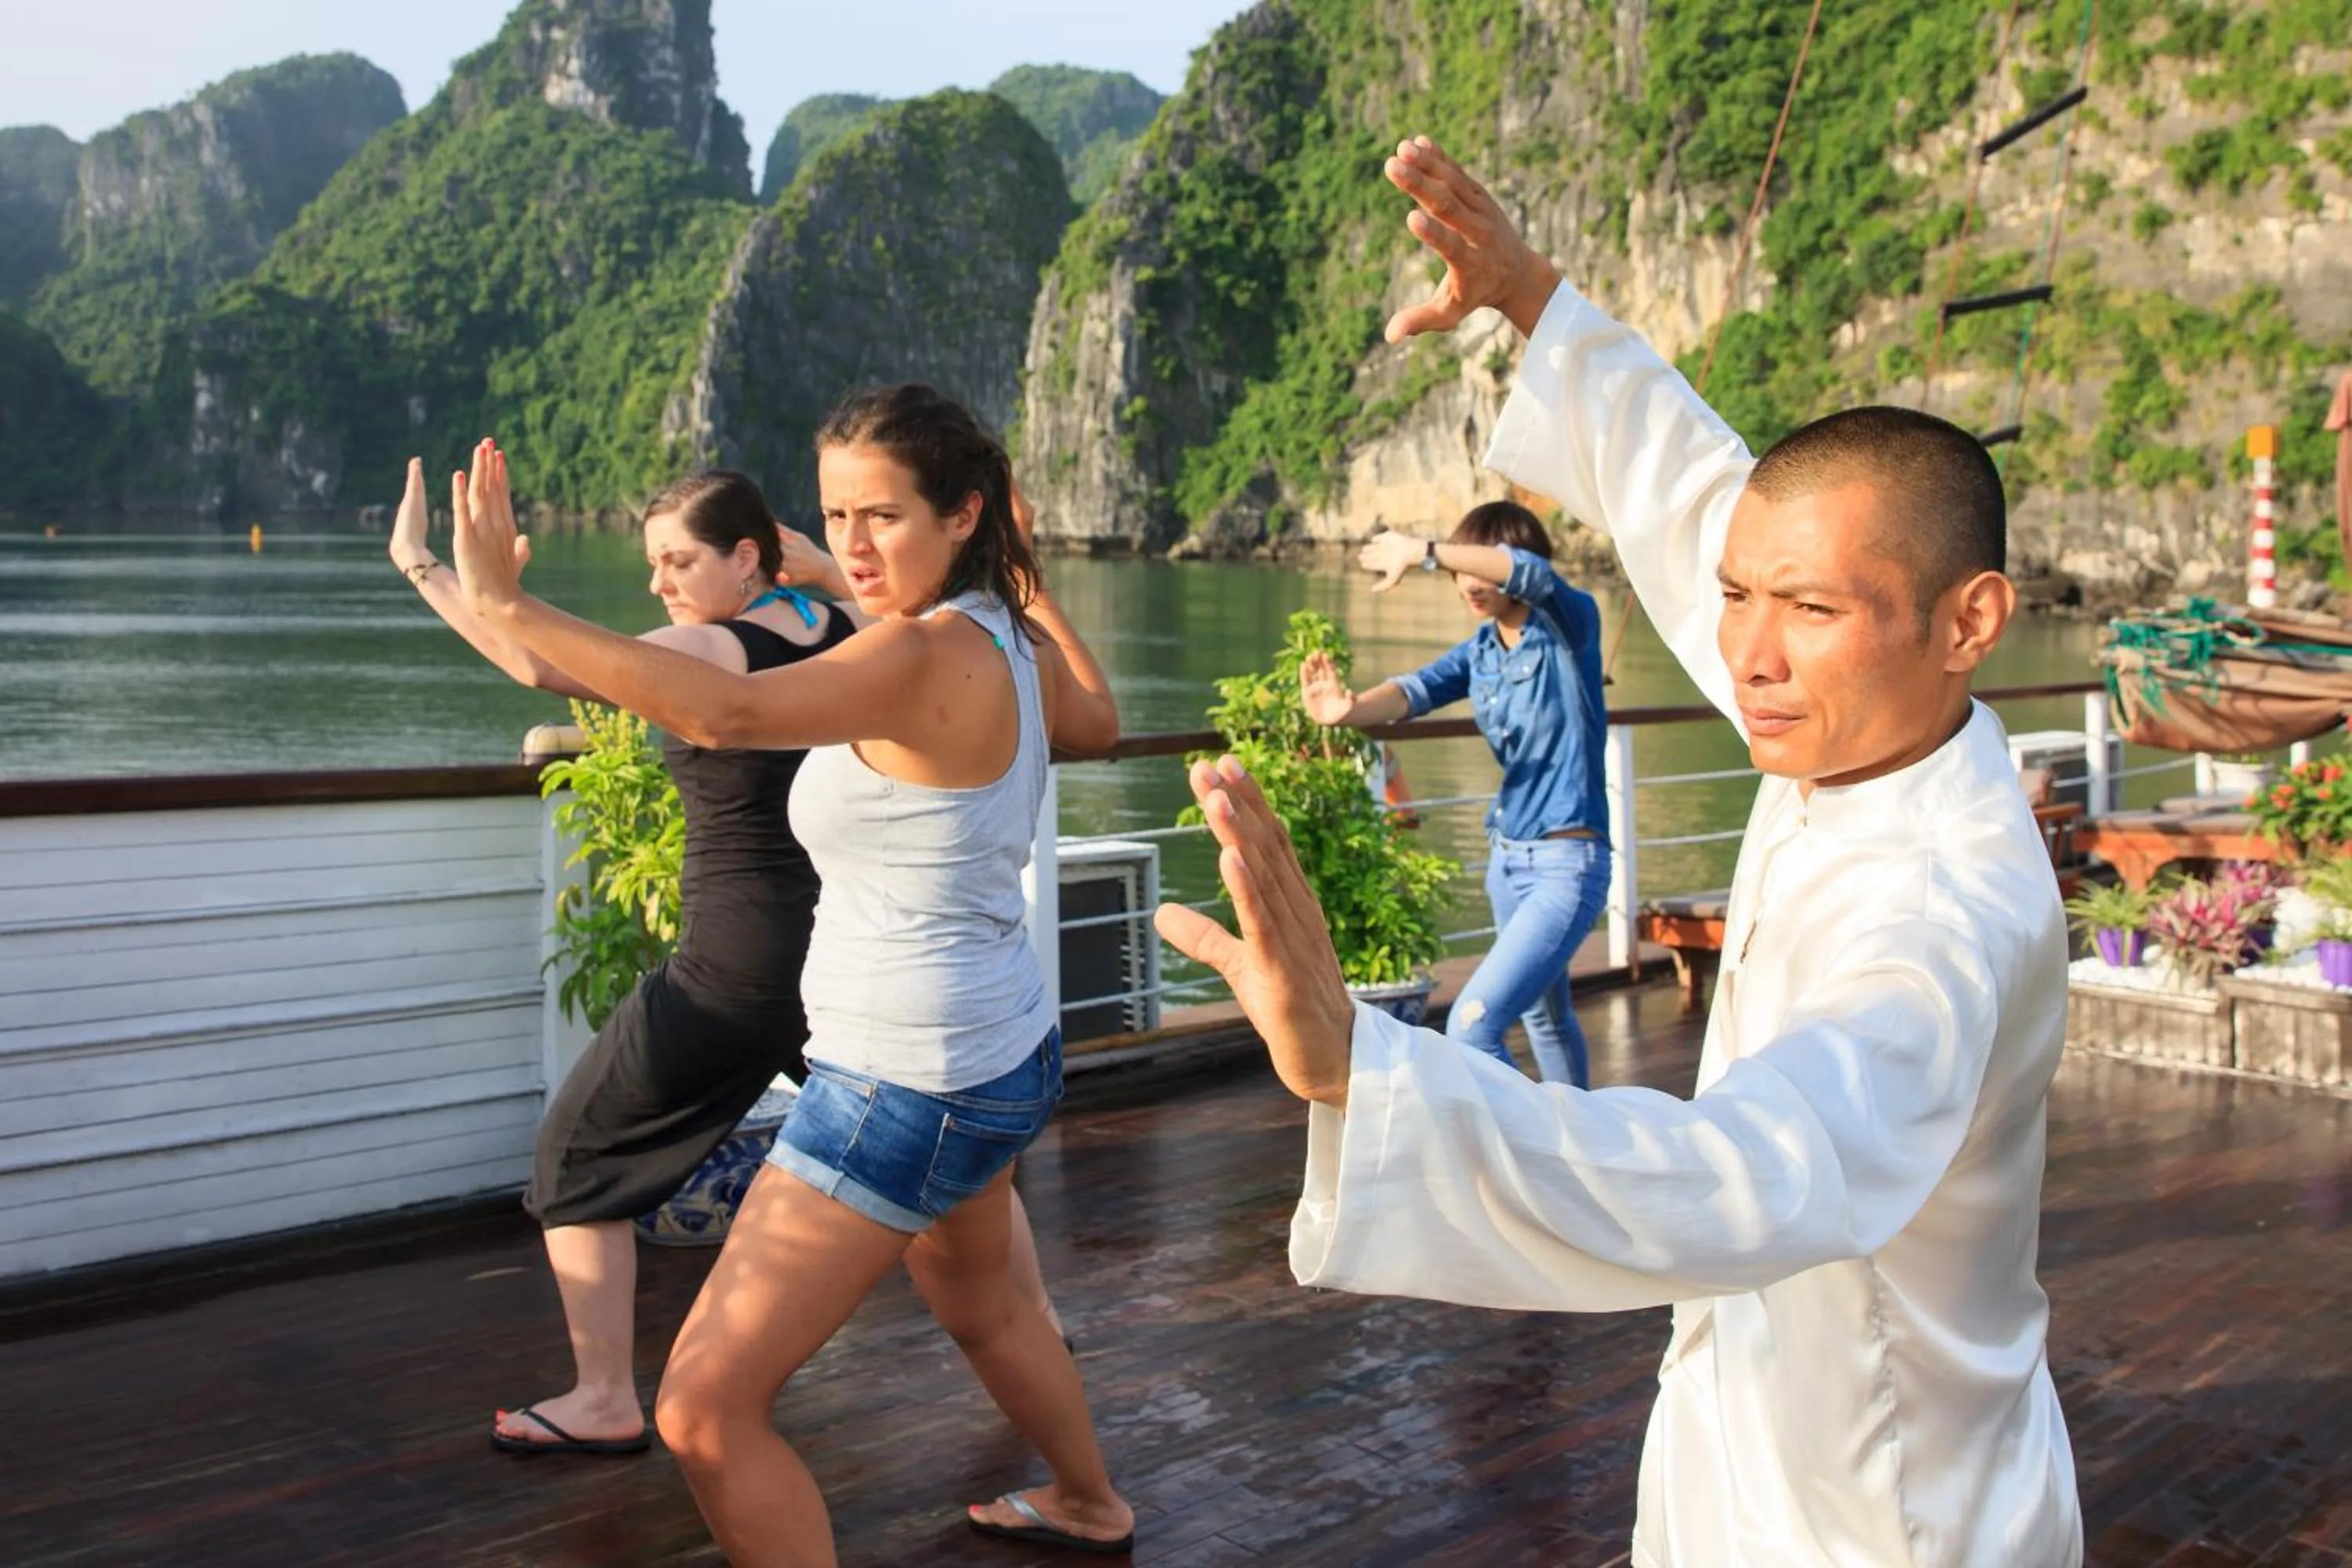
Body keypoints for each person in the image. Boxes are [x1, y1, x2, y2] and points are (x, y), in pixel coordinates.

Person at [1157, 137, 2081, 1568]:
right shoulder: (1845, 709)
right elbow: (1692, 482)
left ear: (1968, 624)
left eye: (1808, 609)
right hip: (1738, 1424)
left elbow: (1755, 1166)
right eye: (1734, 598)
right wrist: (1535, 299)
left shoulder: (1941, 908)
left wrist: (1359, 1065)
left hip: (1889, 1507)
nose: (1751, 654)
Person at [440, 390, 1135, 1562]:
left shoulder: (915, 653)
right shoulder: (999, 634)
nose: (855, 545)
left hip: (898, 1087)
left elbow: (723, 710)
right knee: (994, 1305)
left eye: (886, 518)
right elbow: (1101, 724)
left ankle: (1086, 1499)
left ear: (964, 515)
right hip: (999, 1051)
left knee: (704, 1413)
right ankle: (1089, 1502)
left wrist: (508, 604)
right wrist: (1002, 580)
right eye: (834, 516)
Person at [1300, 499, 1610, 1086]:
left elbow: (1531, 576)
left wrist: (1424, 551)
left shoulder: (1570, 627)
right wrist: (1347, 710)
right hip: (1509, 861)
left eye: (1482, 569)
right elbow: (1414, 691)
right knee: (1547, 1018)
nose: (1468, 582)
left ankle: (1532, 1155)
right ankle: (1580, 1151)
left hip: (1567, 864)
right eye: (1460, 572)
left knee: (1473, 1024)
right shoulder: (1483, 651)